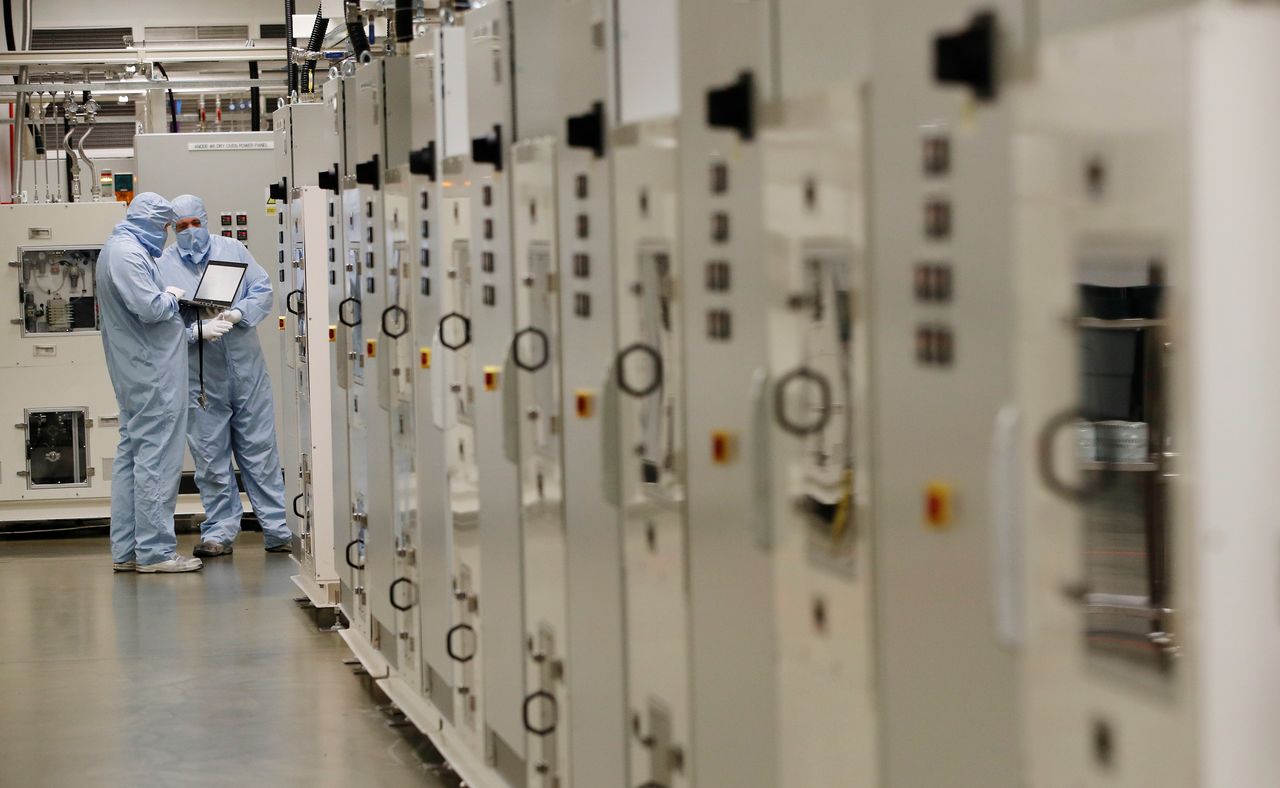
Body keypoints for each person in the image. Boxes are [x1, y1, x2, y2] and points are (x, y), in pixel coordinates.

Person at [158, 194, 293, 557]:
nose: (189, 232)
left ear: (206, 219)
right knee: (210, 457)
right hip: (201, 377)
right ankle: (219, 531)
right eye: (181, 227)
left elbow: (263, 290)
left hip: (246, 369)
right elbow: (160, 322)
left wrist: (236, 315)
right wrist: (195, 329)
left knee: (260, 451)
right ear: (172, 229)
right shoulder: (164, 265)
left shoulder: (232, 250)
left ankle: (278, 529)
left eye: (195, 223)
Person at [98, 192, 202, 573]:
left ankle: (127, 549)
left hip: (141, 369)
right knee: (157, 459)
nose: (166, 235)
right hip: (152, 374)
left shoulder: (124, 249)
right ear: (150, 223)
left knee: (133, 457)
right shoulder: (127, 254)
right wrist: (172, 296)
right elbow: (151, 309)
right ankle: (156, 552)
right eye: (164, 227)